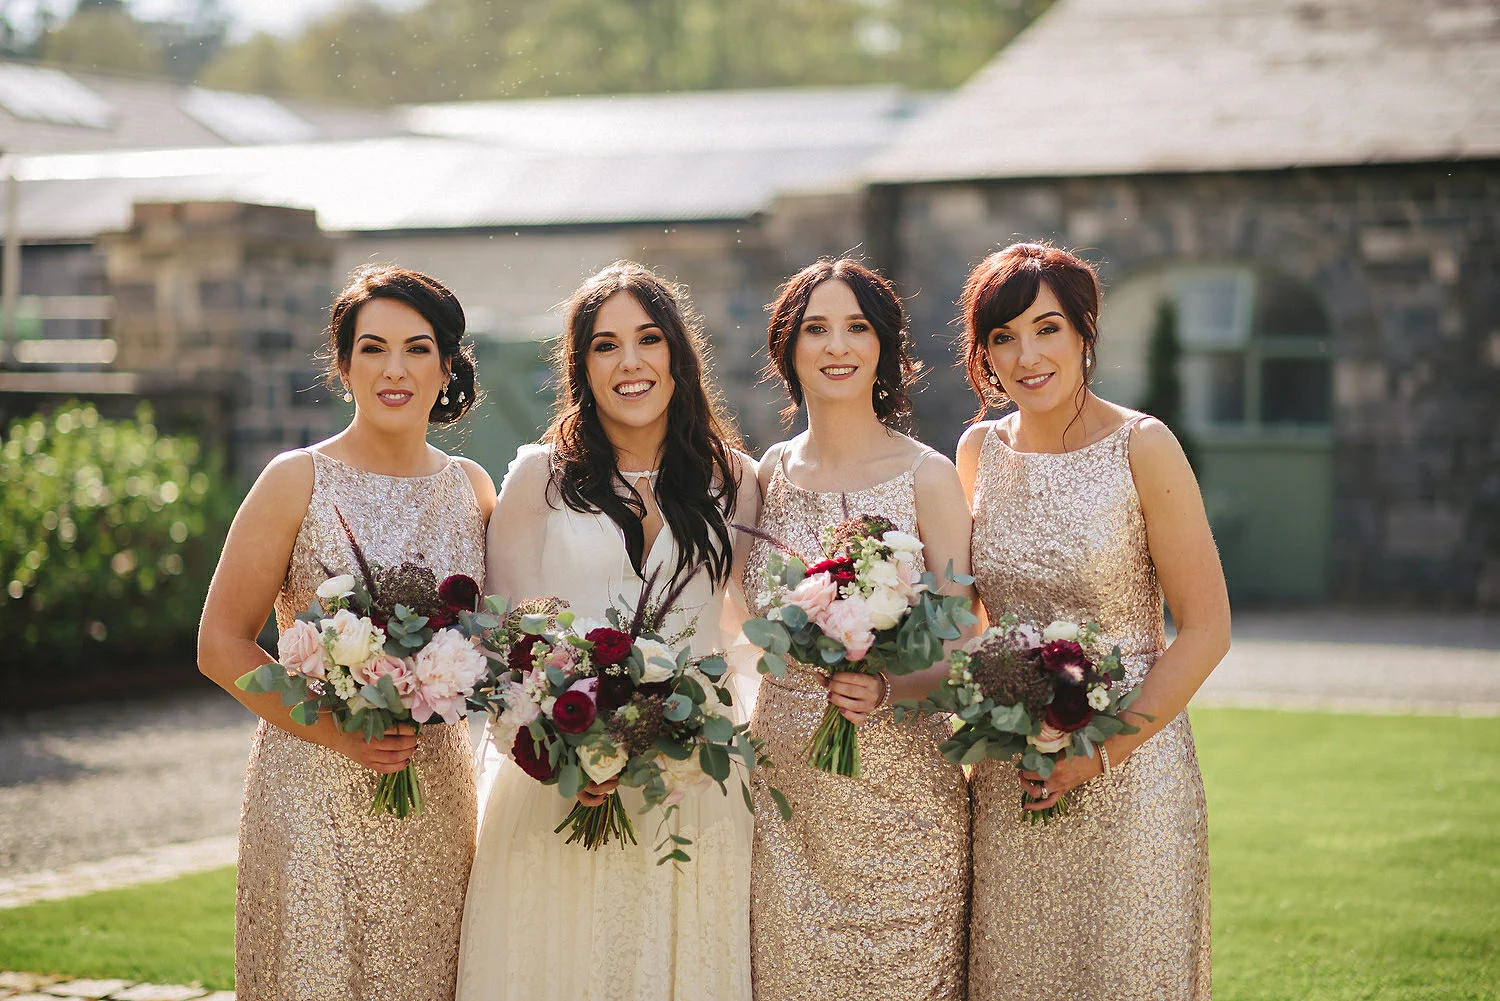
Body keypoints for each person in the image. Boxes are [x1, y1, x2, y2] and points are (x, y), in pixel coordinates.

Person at [458, 262, 760, 1001]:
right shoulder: (540, 479)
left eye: (648, 339)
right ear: (581, 366)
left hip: (696, 787)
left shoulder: (736, 479)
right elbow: (504, 644)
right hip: (559, 787)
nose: (630, 362)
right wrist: (563, 749)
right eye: (605, 345)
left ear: (678, 355)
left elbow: (747, 637)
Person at [197, 265, 496, 1000]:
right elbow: (220, 644)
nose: (395, 369)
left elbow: (497, 644)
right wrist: (338, 731)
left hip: (435, 795)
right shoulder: (295, 479)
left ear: (447, 366)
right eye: (373, 348)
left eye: (418, 349)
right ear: (344, 365)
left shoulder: (473, 490)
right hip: (313, 792)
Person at [955, 242, 1231, 1000]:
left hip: (1132, 777)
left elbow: (1206, 628)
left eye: (1047, 328)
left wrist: (1099, 752)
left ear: (1084, 331)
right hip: (1013, 776)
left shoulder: (1144, 445)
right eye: (1004, 337)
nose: (1027, 356)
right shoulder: (977, 451)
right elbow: (967, 622)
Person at [743, 258, 973, 1001]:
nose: (837, 346)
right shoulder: (767, 474)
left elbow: (964, 641)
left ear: (884, 347)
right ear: (788, 349)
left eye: (857, 328)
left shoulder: (927, 475)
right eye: (816, 329)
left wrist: (890, 686)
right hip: (785, 799)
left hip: (902, 802)